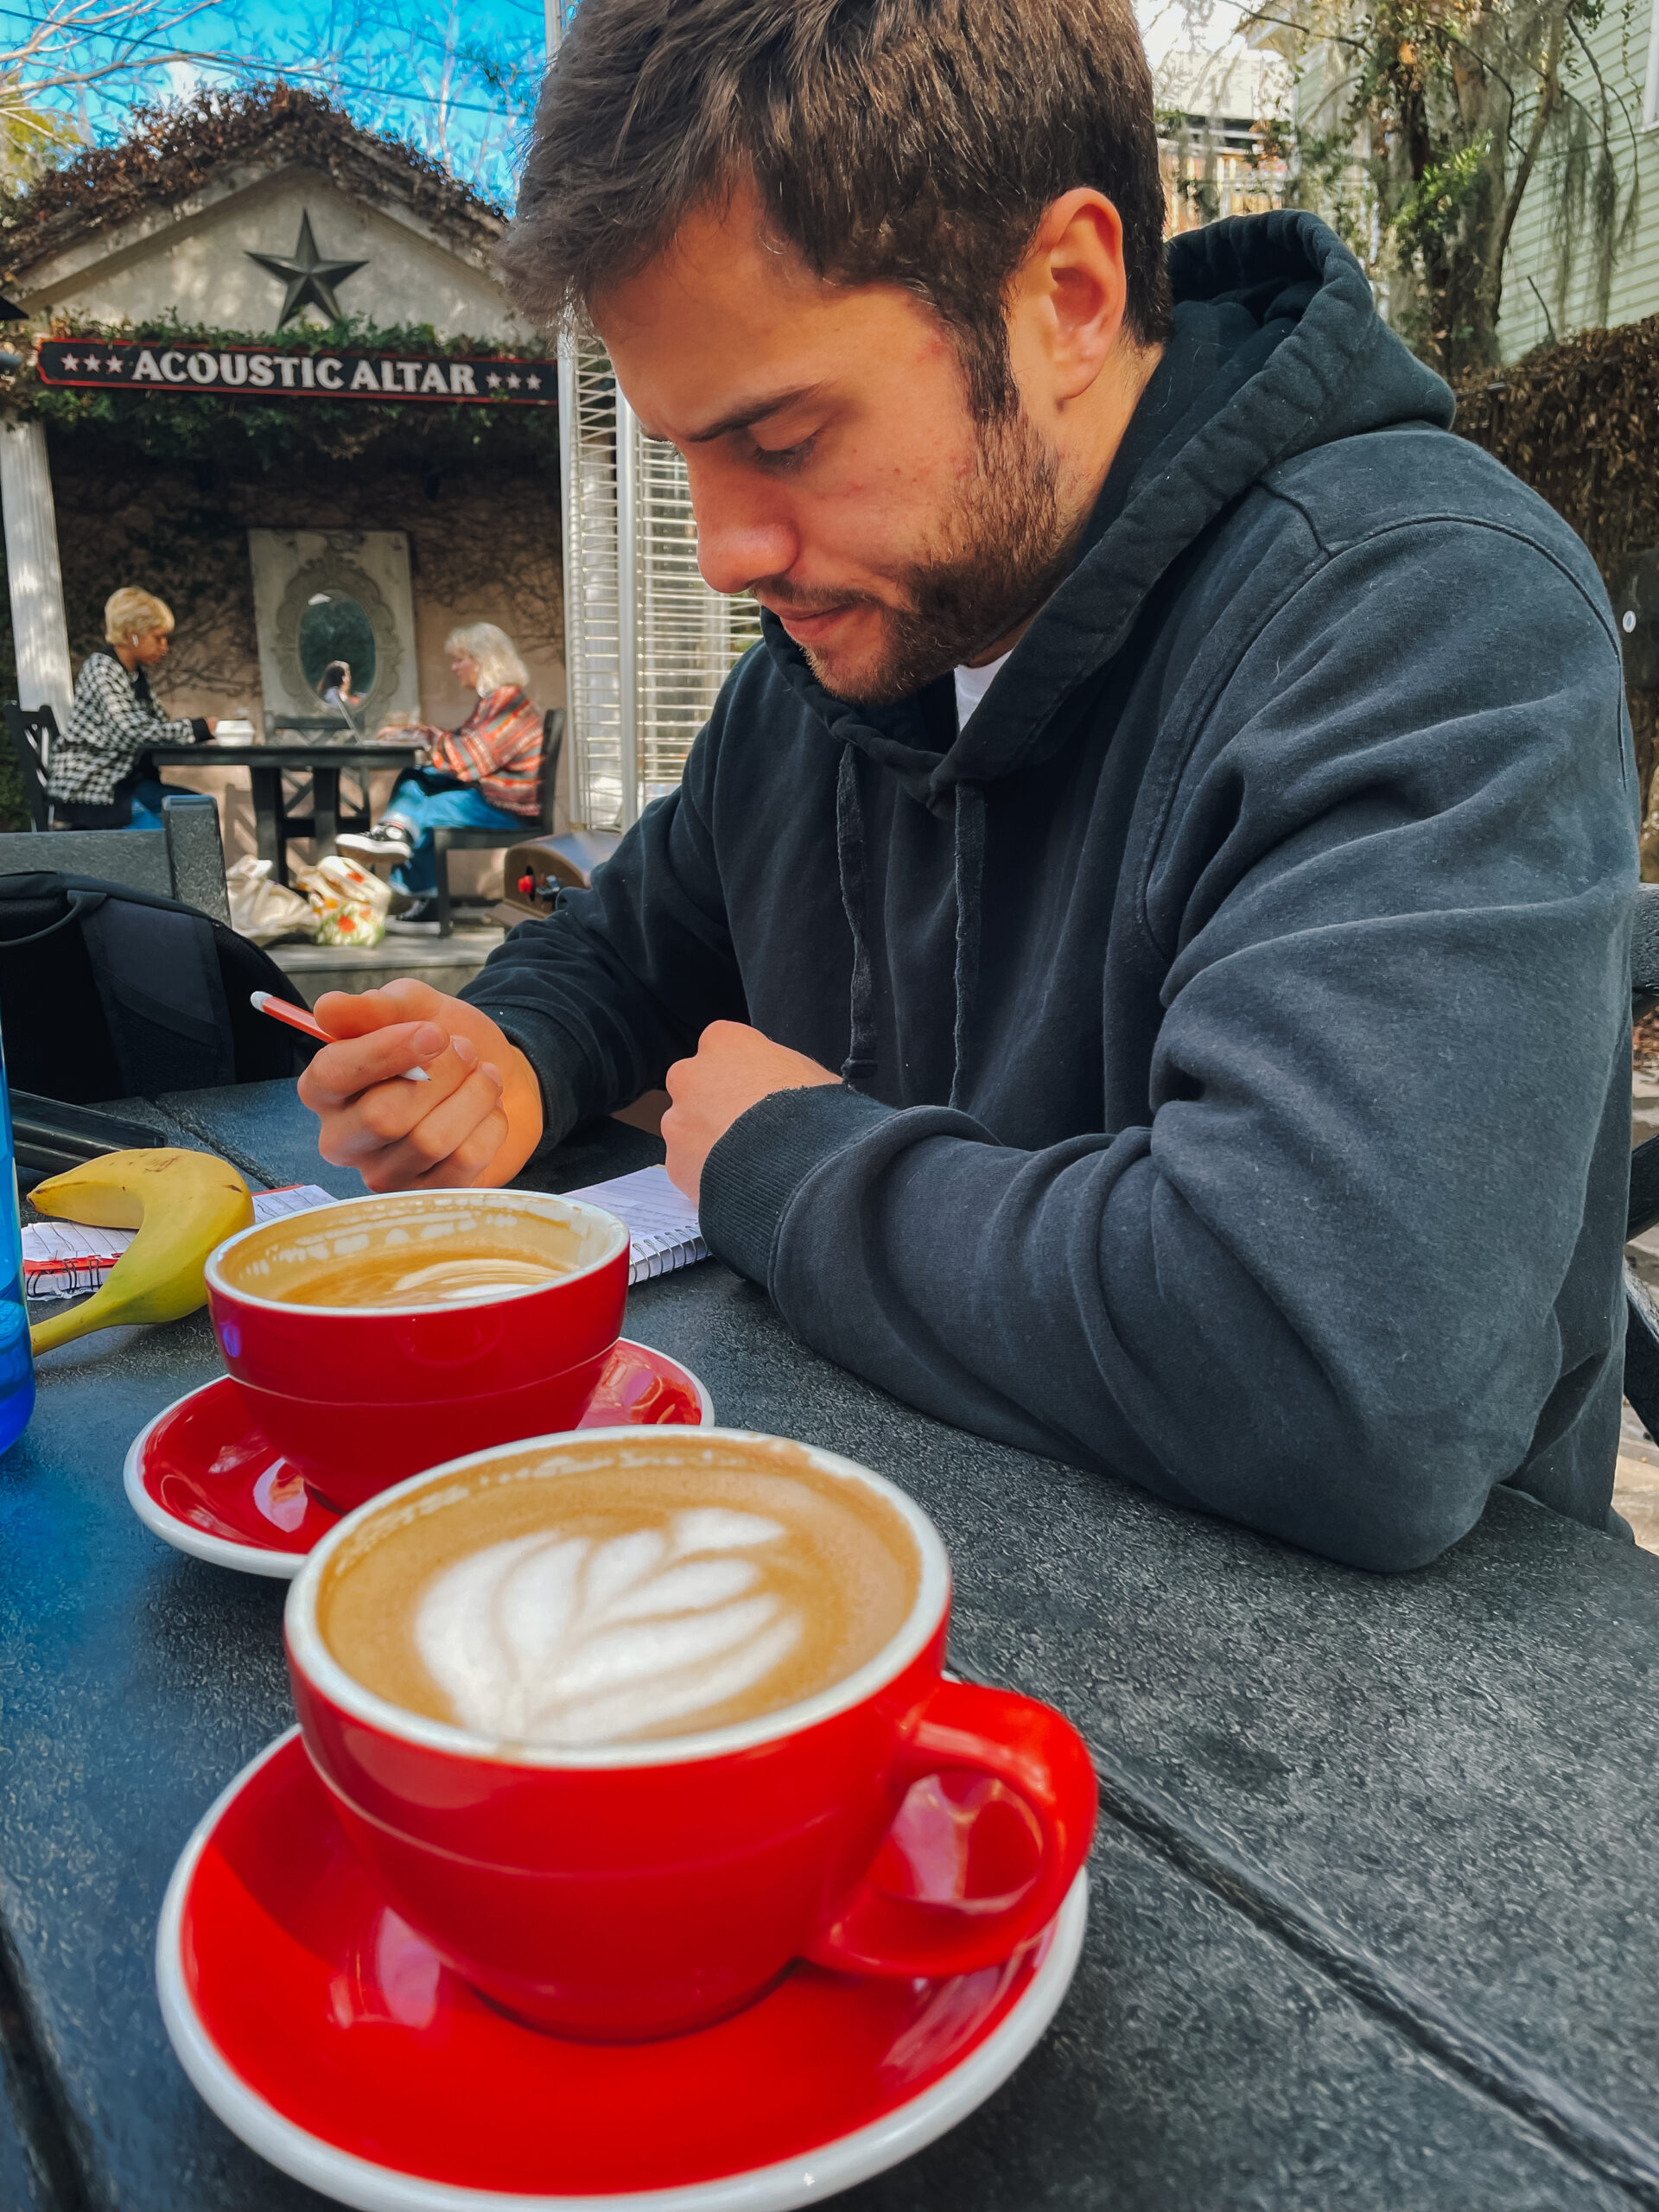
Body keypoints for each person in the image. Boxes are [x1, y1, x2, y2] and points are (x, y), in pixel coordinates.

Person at [298, 0, 1637, 1575]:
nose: (727, 547)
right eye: (681, 457)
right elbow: (637, 943)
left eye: (782, 439)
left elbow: (1345, 1364)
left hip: (1350, 1727)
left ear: (1067, 296)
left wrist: (785, 1165)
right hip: (848, 1570)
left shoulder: (1415, 620)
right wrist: (510, 1054)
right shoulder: (833, 661)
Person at [339, 623, 544, 933]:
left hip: (508, 808)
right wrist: (415, 734)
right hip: (492, 797)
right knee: (415, 776)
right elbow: (461, 744)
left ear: (483, 660)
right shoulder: (495, 700)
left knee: (425, 810)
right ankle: (396, 836)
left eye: (460, 659)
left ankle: (399, 842)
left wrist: (420, 737)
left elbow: (467, 757)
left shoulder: (508, 701)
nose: (454, 667)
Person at [48, 588, 216, 828]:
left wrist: (181, 729)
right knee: (181, 828)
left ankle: (195, 866)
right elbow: (129, 732)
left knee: (199, 808)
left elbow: (156, 723)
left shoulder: (136, 674)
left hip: (123, 783)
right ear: (133, 635)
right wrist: (196, 729)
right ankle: (173, 865)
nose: (165, 646)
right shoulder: (103, 669)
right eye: (158, 637)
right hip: (94, 789)